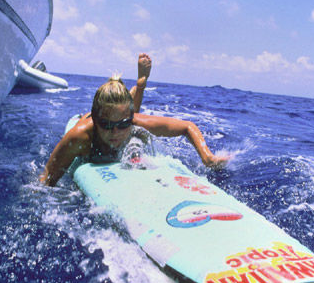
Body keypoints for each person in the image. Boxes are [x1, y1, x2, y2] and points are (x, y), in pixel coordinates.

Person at [40, 53, 230, 187]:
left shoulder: (133, 122)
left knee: (133, 127)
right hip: (88, 121)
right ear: (96, 120)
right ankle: (139, 87)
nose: (115, 132)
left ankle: (140, 86)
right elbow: (47, 178)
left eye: (122, 124)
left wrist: (208, 158)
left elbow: (187, 126)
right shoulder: (80, 137)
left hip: (128, 115)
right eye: (106, 125)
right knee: (123, 120)